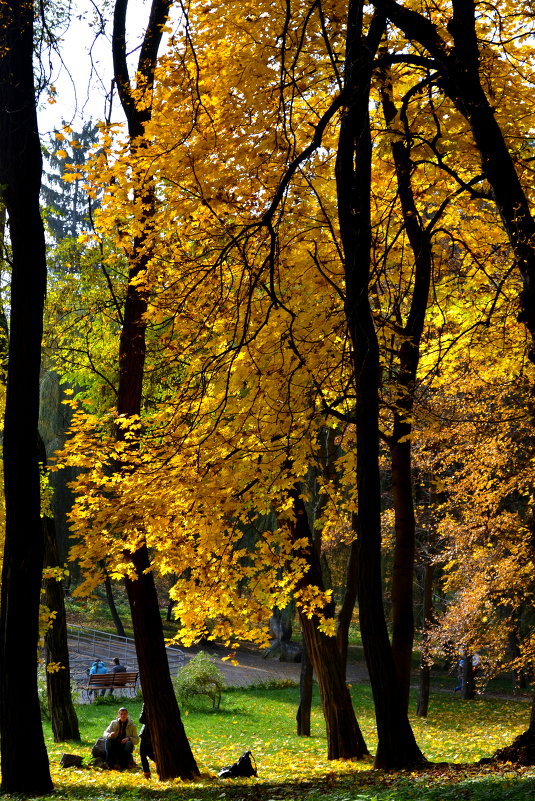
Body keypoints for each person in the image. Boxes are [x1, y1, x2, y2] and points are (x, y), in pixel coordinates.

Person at [139, 703, 156, 779]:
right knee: (146, 753)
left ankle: (147, 774)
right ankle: (147, 773)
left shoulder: (146, 703)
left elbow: (142, 719)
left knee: (145, 753)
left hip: (148, 733)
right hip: (147, 733)